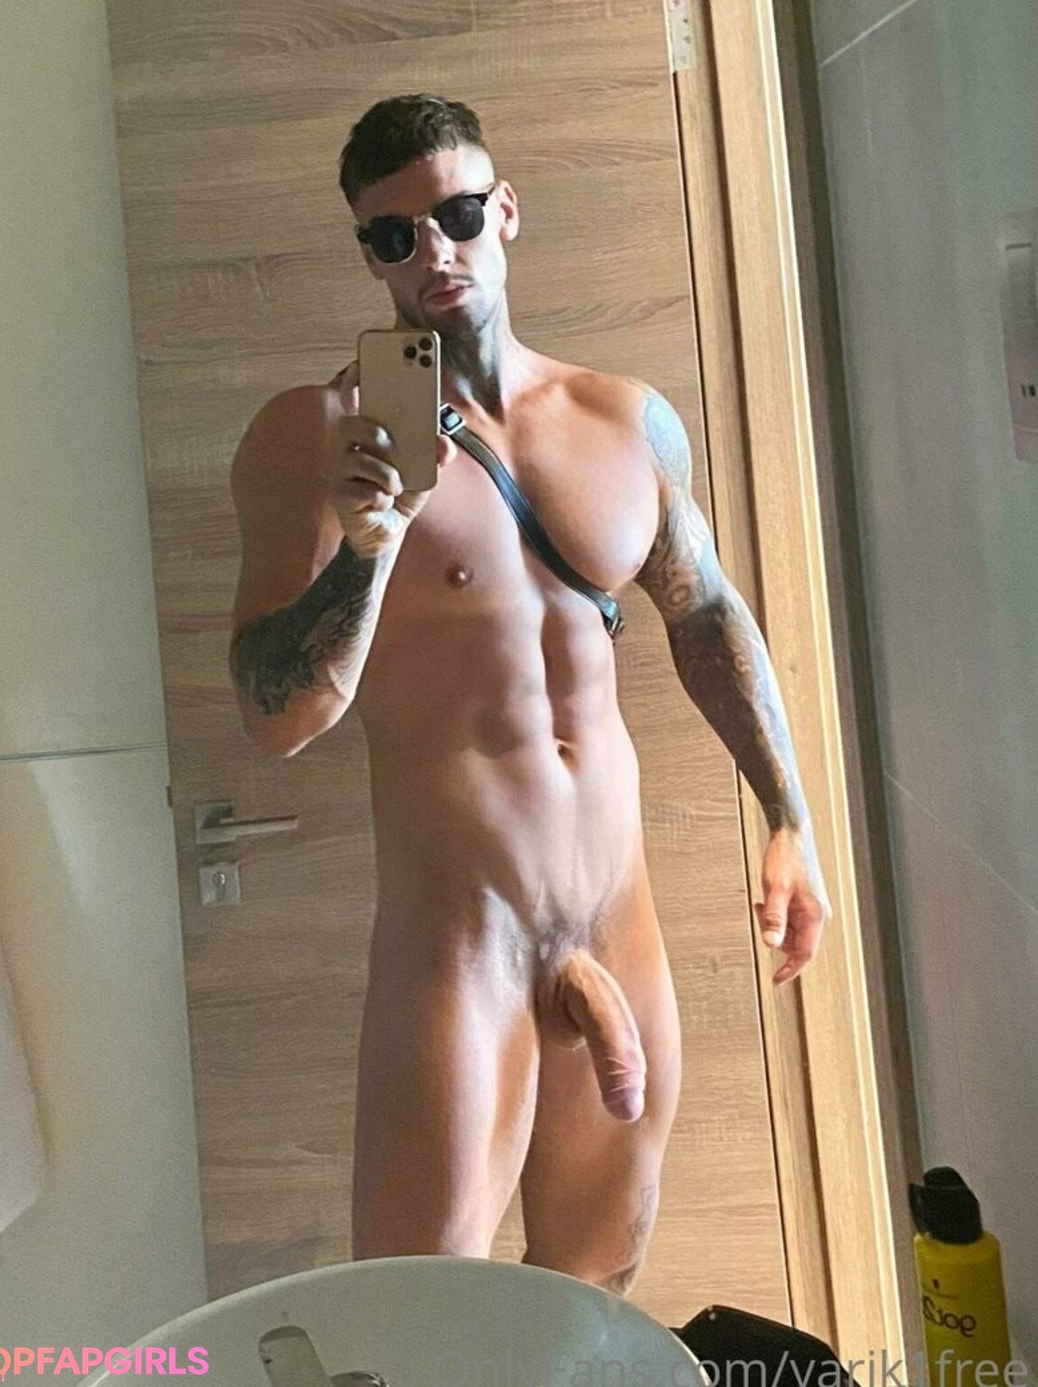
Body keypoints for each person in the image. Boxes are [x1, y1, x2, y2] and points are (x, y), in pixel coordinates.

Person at [228, 94, 831, 1295]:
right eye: (393, 235)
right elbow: (277, 713)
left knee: (591, 1294)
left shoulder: (624, 418)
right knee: (418, 1319)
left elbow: (703, 613)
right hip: (463, 941)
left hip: (618, 914)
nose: (433, 251)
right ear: (367, 255)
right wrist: (367, 548)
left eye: (456, 214)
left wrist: (789, 815)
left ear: (503, 209)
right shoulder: (317, 436)